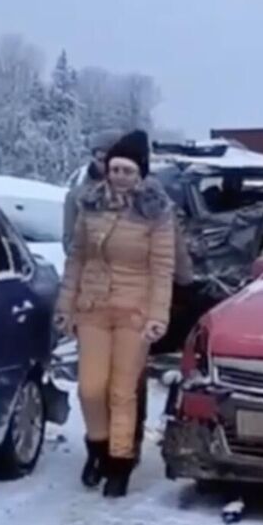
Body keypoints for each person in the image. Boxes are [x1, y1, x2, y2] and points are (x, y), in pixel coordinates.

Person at [57, 130, 176, 498]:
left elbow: (162, 267)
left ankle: (120, 463)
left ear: (140, 174)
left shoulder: (156, 212)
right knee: (90, 389)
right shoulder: (89, 205)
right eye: (115, 168)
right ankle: (97, 448)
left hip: (134, 311)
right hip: (93, 307)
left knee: (122, 391)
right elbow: (76, 257)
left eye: (128, 170)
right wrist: (65, 306)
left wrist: (158, 314)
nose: (120, 175)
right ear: (107, 169)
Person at [65, 131, 120, 251]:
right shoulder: (76, 197)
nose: (107, 165)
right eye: (101, 159)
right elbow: (69, 244)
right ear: (94, 159)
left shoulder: (144, 196)